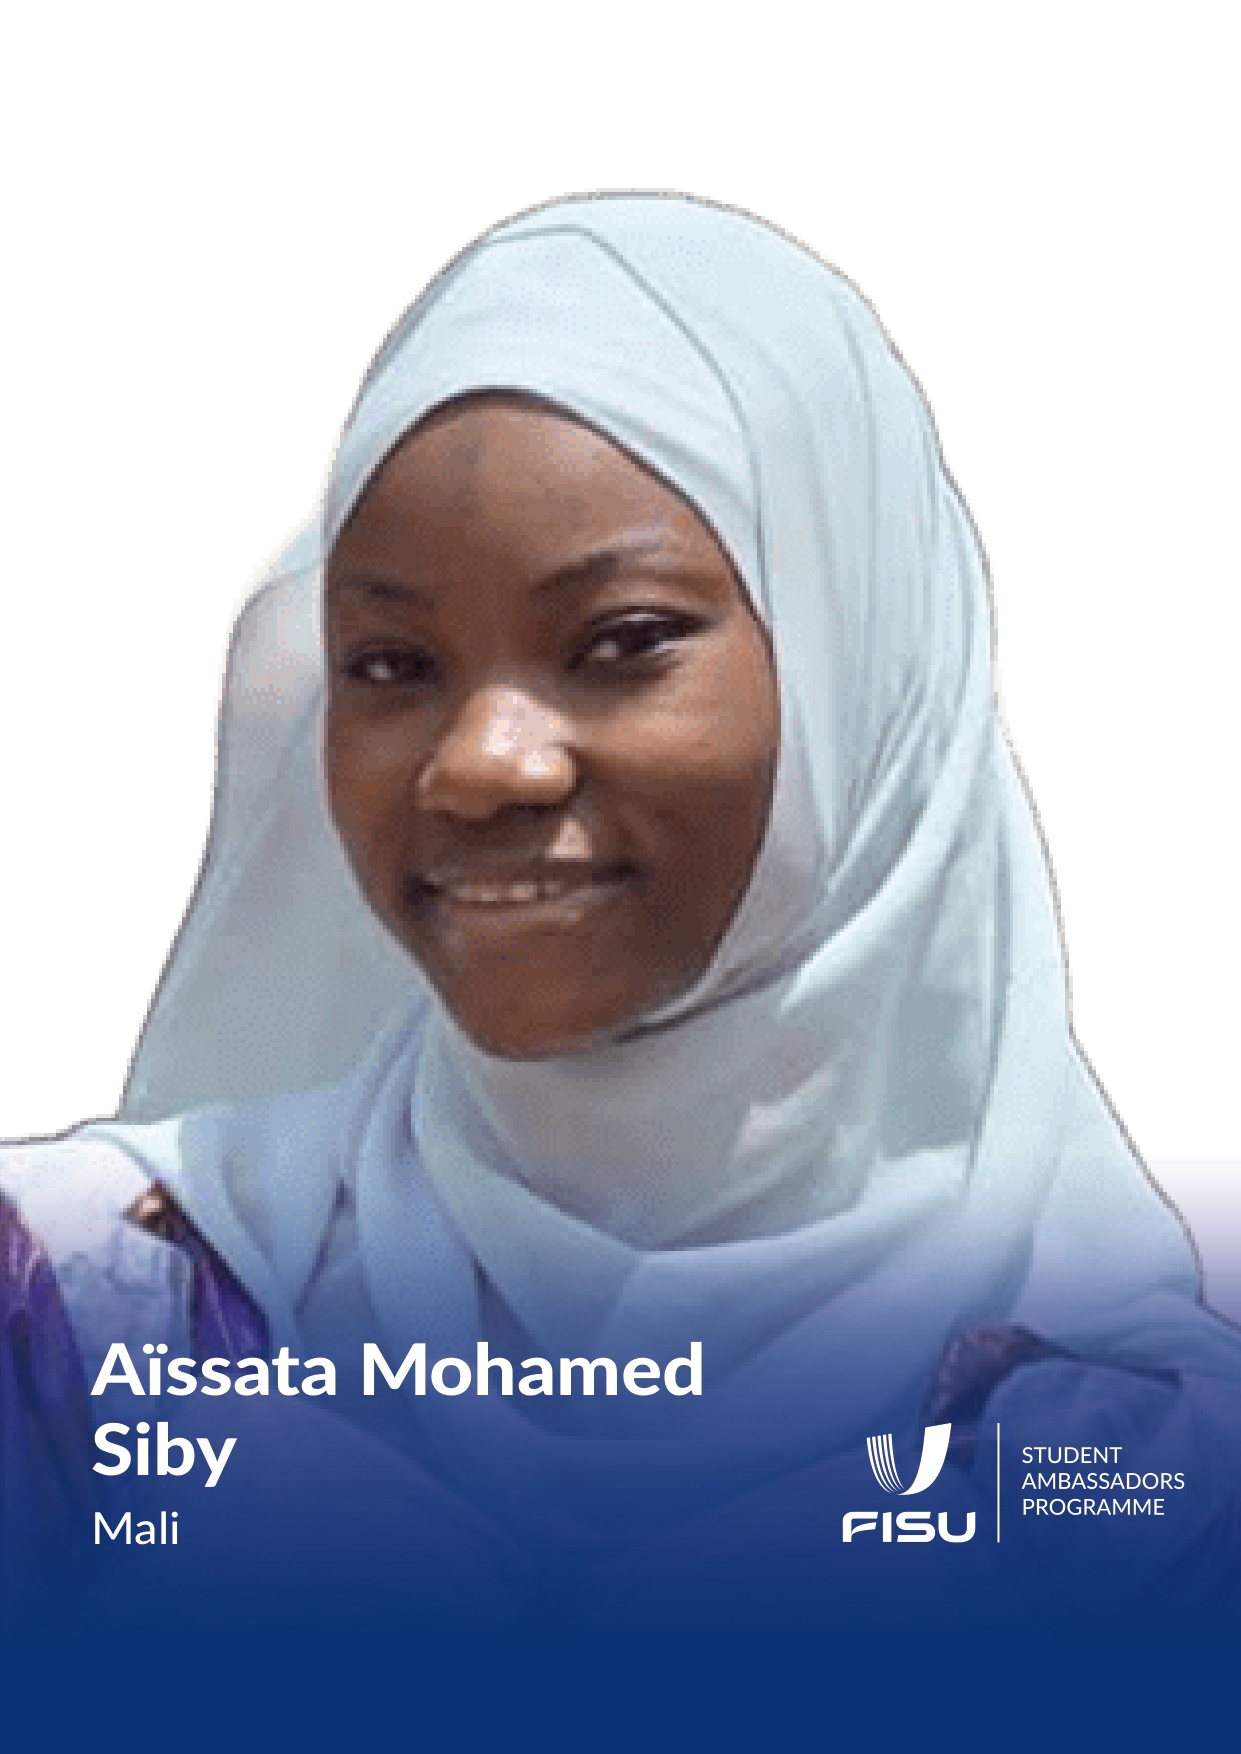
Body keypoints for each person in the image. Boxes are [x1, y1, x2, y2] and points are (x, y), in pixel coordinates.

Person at [4, 193, 1240, 1634]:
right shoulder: (82, 1338)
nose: (481, 764)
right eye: (391, 664)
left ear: (859, 675)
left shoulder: (1137, 1483)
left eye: (624, 641)